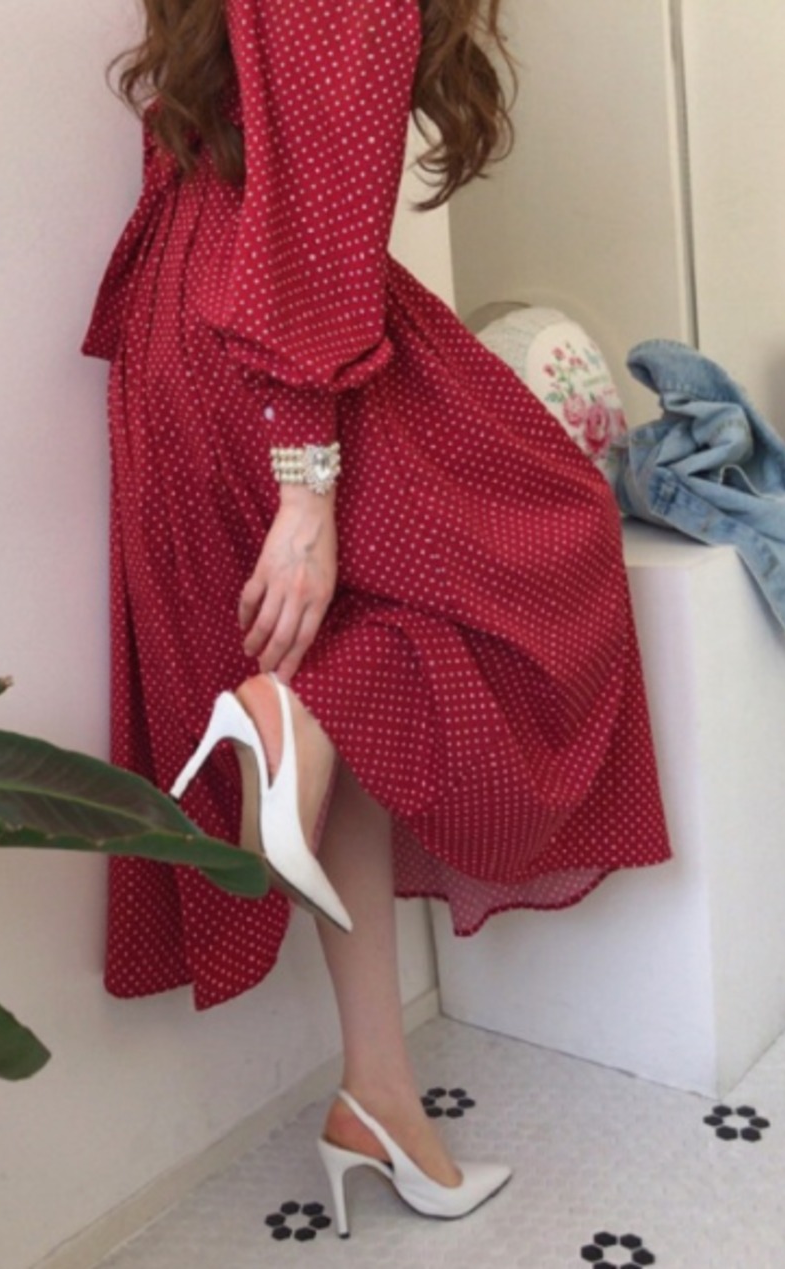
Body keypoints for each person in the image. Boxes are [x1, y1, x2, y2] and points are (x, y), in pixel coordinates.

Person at [83, 0, 670, 1236]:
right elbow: (318, 195)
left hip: (188, 322)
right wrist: (304, 481)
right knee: (553, 532)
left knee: (341, 688)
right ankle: (290, 721)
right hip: (269, 335)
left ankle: (378, 1095)